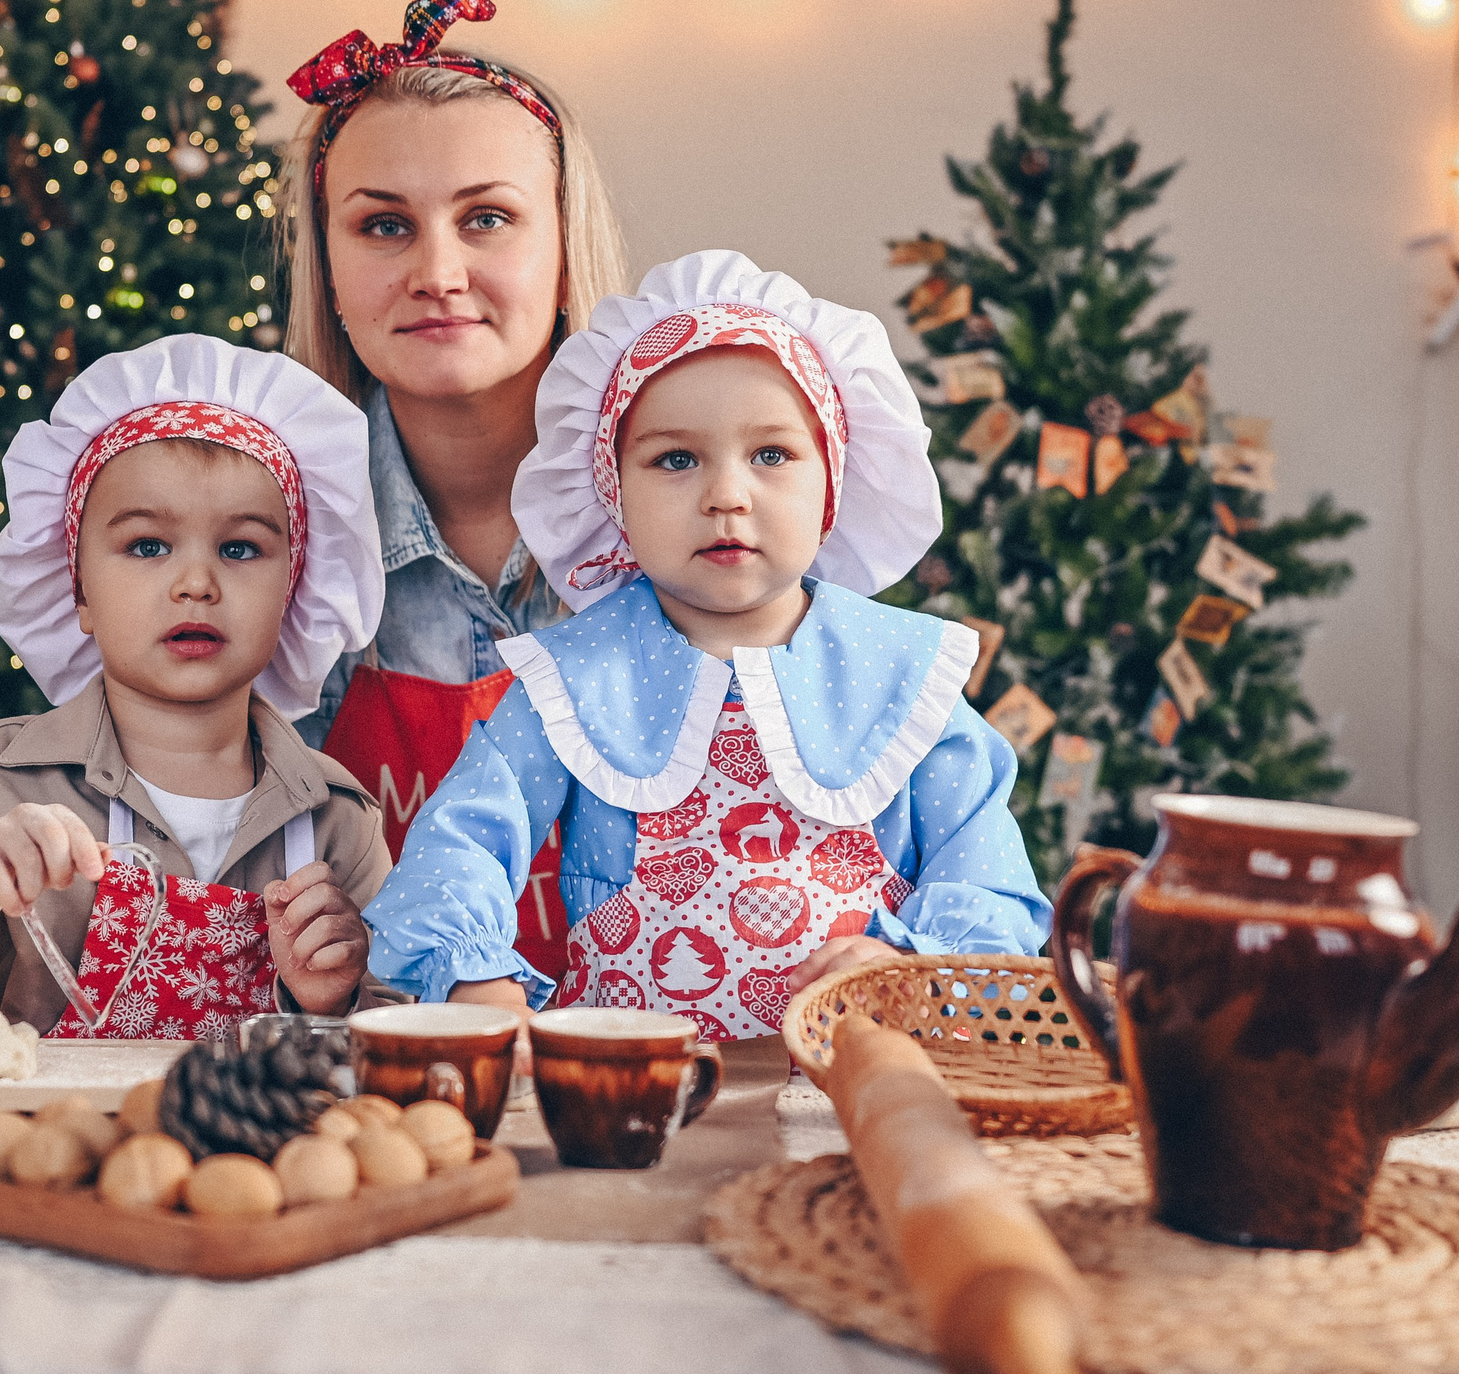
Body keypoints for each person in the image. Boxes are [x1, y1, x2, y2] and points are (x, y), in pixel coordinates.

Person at [363, 251, 1051, 1039]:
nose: (726, 494)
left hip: (861, 1089)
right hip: (633, 1096)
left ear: (833, 479)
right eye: (676, 459)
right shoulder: (577, 676)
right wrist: (472, 970)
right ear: (613, 492)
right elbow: (460, 837)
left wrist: (913, 967)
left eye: (771, 455)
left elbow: (987, 876)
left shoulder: (902, 675)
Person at [0, 336, 394, 1038]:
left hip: (251, 1150)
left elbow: (410, 1036)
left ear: (293, 588)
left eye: (240, 547)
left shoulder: (338, 821)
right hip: (49, 1144)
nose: (197, 582)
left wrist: (333, 997)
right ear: (78, 591)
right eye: (148, 546)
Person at [278, 0, 628, 988]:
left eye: (485, 218)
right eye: (383, 225)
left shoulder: (699, 527)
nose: (437, 269)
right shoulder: (257, 549)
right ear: (329, 266)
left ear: (562, 246)